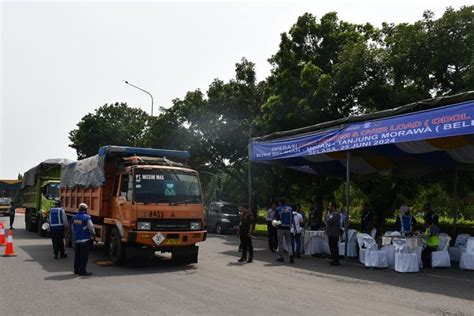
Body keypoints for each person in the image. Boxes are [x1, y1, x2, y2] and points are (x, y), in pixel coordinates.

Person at [72, 203, 95, 276]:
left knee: (77, 256)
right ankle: (82, 271)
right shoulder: (87, 217)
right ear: (86, 209)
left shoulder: (74, 217)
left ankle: (76, 270)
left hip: (77, 240)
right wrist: (93, 235)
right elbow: (91, 228)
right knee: (84, 257)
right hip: (85, 240)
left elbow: (73, 229)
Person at [274, 199, 294, 263]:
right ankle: (291, 254)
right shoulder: (290, 209)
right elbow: (292, 218)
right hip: (288, 228)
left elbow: (276, 218)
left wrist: (275, 223)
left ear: (280, 202)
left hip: (280, 228)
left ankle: (281, 257)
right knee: (289, 242)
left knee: (280, 243)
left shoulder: (278, 209)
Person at [325, 202, 341, 266]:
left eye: (329, 206)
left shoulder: (336, 214)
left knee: (334, 247)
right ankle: (334, 259)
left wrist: (327, 217)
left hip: (334, 233)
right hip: (330, 233)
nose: (328, 207)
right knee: (331, 247)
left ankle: (336, 261)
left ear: (333, 207)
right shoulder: (331, 214)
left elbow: (329, 221)